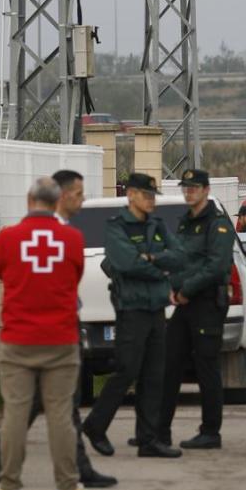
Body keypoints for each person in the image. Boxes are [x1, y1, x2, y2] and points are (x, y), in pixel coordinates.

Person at [0, 170, 116, 488]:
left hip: (19, 336)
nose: (81, 200)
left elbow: (0, 270)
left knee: (19, 411)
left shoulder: (8, 238)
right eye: (79, 194)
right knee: (61, 412)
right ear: (59, 198)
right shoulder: (71, 238)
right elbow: (74, 274)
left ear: (30, 200)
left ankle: (6, 476)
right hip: (60, 335)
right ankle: (70, 480)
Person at [84, 173, 183, 459]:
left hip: (156, 307)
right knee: (127, 369)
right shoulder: (117, 227)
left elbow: (178, 256)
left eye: (153, 195)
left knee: (154, 374)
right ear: (131, 196)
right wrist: (158, 266)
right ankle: (96, 424)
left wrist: (150, 259)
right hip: (131, 308)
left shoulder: (157, 224)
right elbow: (125, 263)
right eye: (146, 195)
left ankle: (148, 439)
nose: (152, 200)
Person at [158, 169, 236, 451]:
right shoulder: (185, 223)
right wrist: (172, 286)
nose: (188, 192)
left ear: (205, 190)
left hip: (206, 304)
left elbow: (216, 266)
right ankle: (159, 431)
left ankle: (210, 431)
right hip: (184, 303)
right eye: (185, 188)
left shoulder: (218, 225)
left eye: (194, 188)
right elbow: (180, 259)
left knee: (206, 369)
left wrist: (186, 290)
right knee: (170, 365)